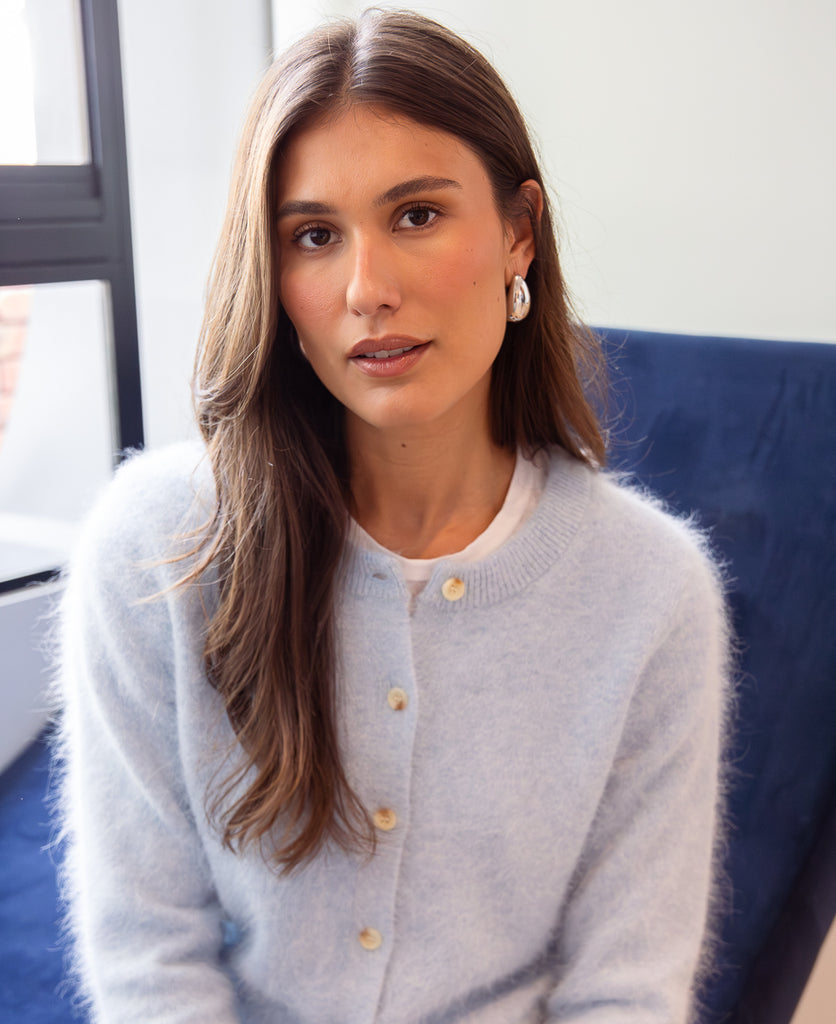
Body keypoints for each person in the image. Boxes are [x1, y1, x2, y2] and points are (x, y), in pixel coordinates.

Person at [56, 9, 730, 1023]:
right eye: (314, 236)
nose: (366, 289)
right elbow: (149, 962)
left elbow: (624, 991)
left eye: (416, 215)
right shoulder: (155, 549)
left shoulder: (652, 592)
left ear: (518, 233)